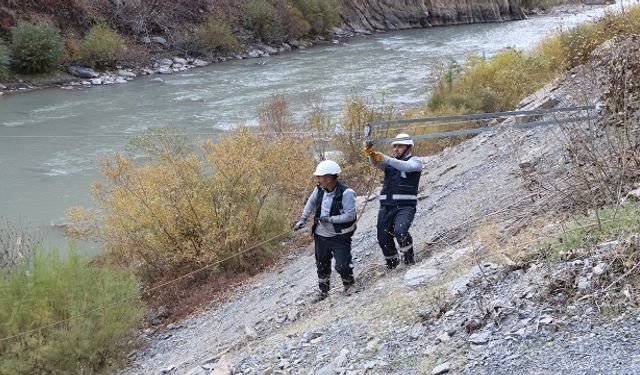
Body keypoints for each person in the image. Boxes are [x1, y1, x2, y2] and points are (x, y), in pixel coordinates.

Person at [293, 160, 357, 303]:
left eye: (319, 177)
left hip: (339, 236)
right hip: (321, 236)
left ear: (328, 178)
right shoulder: (319, 189)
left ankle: (349, 285)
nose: (317, 179)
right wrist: (302, 219)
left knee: (342, 264)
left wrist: (329, 219)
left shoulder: (347, 193)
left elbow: (350, 215)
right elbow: (310, 203)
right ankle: (323, 291)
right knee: (321, 263)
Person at [364, 133, 423, 269]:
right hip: (386, 207)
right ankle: (392, 265)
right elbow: (376, 163)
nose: (396, 149)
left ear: (408, 147)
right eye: (394, 146)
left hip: (405, 207)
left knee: (400, 231)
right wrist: (371, 154)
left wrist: (385, 158)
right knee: (383, 238)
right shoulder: (390, 162)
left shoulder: (416, 161)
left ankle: (408, 261)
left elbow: (406, 167)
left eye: (399, 146)